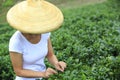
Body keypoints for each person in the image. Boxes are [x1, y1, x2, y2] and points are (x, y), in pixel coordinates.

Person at [7, 0, 67, 80]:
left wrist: (56, 63)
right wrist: (43, 74)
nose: (34, 34)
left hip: (40, 77)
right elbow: (19, 71)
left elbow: (50, 55)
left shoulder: (45, 33)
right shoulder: (16, 41)